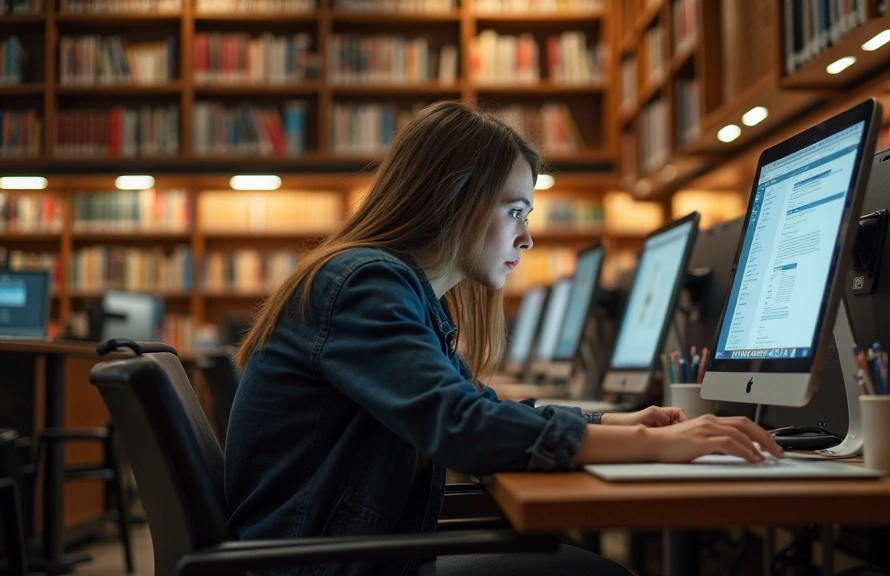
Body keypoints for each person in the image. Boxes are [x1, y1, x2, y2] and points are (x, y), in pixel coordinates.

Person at [224, 100, 783, 576]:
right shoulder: (364, 283)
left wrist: (612, 424)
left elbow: (470, 406)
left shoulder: (390, 287)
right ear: (454, 200)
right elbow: (462, 426)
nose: (528, 238)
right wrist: (653, 446)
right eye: (515, 211)